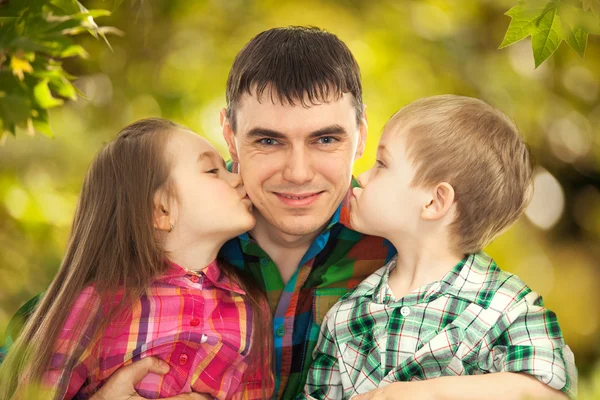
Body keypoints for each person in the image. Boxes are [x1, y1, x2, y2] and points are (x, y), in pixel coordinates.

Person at [2, 27, 573, 400]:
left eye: (325, 139)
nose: (298, 173)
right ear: (229, 133)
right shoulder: (180, 244)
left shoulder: (410, 260)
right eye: (269, 141)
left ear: (360, 134)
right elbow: (39, 341)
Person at [301, 95, 577, 399]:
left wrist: (408, 395)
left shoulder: (506, 308)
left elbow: (548, 393)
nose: (362, 177)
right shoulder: (345, 316)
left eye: (381, 164)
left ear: (434, 201)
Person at [0, 118, 273, 399]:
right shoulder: (98, 303)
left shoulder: (250, 305)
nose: (237, 177)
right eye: (212, 170)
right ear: (161, 212)